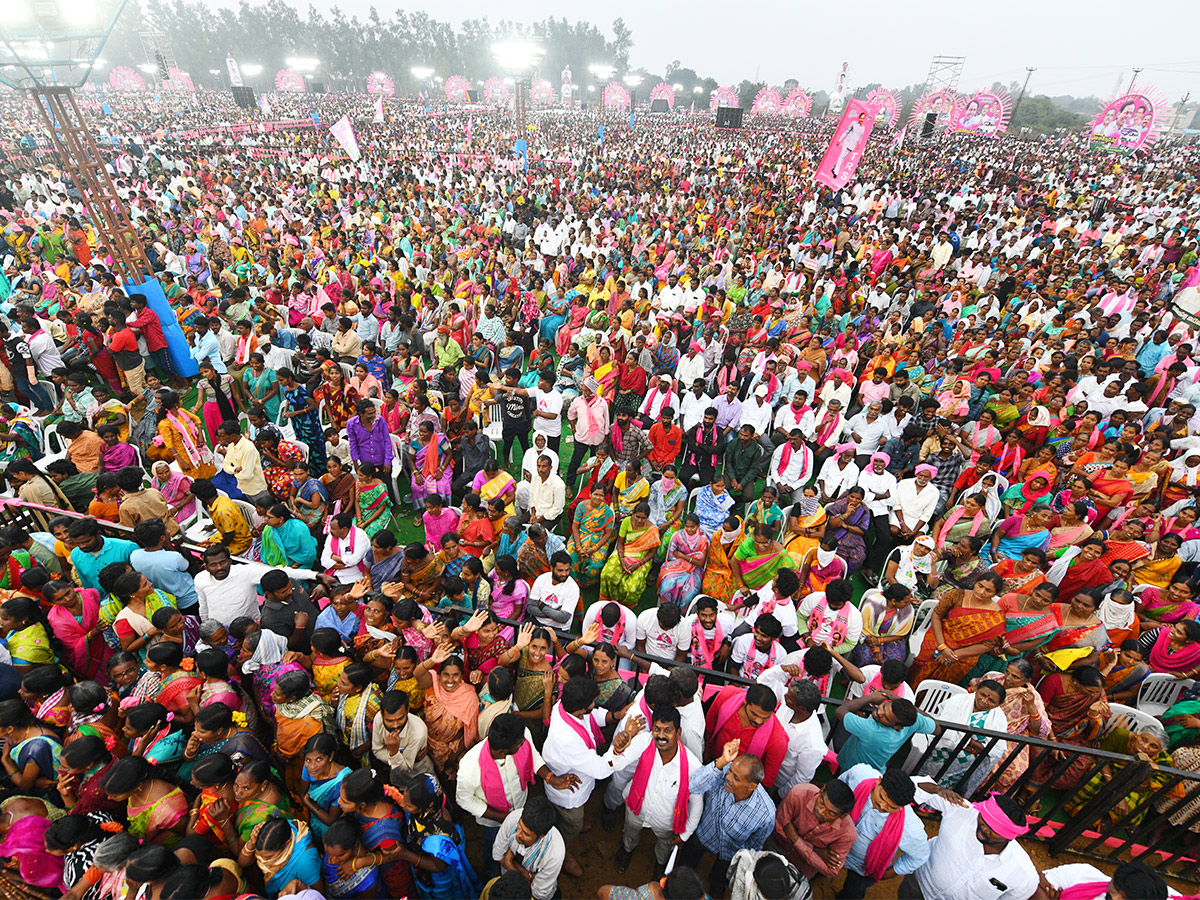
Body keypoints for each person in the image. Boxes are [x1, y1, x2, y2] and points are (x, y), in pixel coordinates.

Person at [905, 783, 1038, 900]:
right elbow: (913, 785)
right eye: (983, 819)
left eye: (993, 829)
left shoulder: (1024, 875)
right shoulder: (962, 810)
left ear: (1008, 837)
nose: (984, 828)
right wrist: (938, 789)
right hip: (917, 885)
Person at [679, 737, 776, 897]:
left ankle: (717, 888)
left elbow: (754, 845)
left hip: (729, 854)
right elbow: (693, 786)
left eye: (736, 778)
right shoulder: (723, 771)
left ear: (752, 786)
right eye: (731, 771)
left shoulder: (766, 814)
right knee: (686, 864)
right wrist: (722, 761)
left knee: (719, 878)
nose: (729, 777)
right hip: (703, 835)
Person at [834, 765, 929, 899]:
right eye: (881, 797)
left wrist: (889, 872)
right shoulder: (859, 775)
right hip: (833, 844)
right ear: (879, 781)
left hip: (863, 869)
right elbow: (840, 785)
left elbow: (920, 856)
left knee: (852, 893)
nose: (883, 806)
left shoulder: (910, 829)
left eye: (892, 807)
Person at [770, 779, 858, 881]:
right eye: (821, 802)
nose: (821, 812)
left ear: (843, 816)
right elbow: (780, 826)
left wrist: (797, 840)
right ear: (821, 790)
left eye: (831, 813)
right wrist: (816, 851)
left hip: (802, 867)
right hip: (777, 847)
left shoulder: (847, 835)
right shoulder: (798, 793)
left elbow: (831, 871)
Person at [492, 797, 565, 900]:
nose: (518, 834)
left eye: (526, 834)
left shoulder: (555, 852)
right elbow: (498, 855)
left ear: (541, 836)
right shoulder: (513, 818)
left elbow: (537, 893)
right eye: (519, 826)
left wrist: (509, 861)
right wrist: (527, 875)